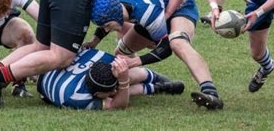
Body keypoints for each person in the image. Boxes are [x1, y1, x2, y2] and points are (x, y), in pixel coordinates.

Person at [0, 0, 191, 108]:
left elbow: (109, 14)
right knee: (61, 57)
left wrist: (94, 39)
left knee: (42, 46)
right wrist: (167, 15)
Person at [86, 0, 224, 110]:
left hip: (180, 7)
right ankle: (151, 82)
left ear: (116, 16)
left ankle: (210, 93)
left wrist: (136, 61)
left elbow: (166, 47)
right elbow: (107, 20)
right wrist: (94, 41)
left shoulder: (146, 12)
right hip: (157, 12)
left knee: (177, 42)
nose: (105, 29)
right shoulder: (116, 5)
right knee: (121, 52)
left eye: (107, 26)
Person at [37, 48, 184, 110]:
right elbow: (117, 105)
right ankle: (156, 88)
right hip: (46, 78)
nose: (114, 90)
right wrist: (123, 81)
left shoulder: (98, 58)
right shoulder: (75, 97)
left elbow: (122, 73)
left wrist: (123, 75)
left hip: (53, 65)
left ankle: (153, 76)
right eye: (110, 91)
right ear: (94, 94)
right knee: (120, 88)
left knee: (125, 75)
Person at [0, 0, 38, 98]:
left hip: (5, 28)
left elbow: (42, 18)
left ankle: (19, 84)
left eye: (1, 12)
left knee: (26, 34)